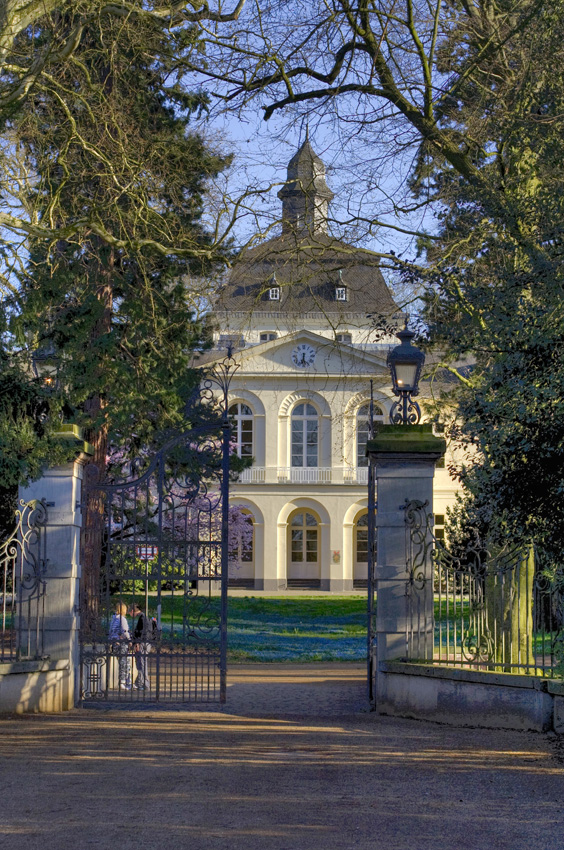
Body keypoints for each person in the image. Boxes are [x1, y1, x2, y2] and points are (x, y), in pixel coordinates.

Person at [129, 602, 153, 690]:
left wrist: (138, 642)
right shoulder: (143, 617)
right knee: (140, 663)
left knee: (142, 663)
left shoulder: (142, 618)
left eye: (130, 612)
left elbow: (142, 632)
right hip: (145, 643)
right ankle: (140, 683)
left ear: (132, 611)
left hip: (143, 643)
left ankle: (145, 684)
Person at [108, 601, 131, 690]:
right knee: (124, 662)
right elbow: (125, 631)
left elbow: (111, 631)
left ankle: (123, 681)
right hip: (121, 643)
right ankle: (123, 681)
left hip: (114, 642)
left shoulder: (114, 618)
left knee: (121, 661)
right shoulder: (122, 619)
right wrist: (129, 640)